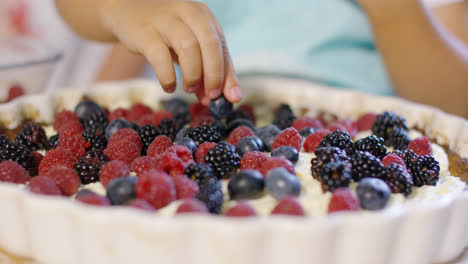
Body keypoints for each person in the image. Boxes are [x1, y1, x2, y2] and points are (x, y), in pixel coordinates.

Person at [54, 0, 468, 117]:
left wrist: (394, 10)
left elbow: (455, 104)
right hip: (201, 122)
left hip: (361, 141)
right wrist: (123, 8)